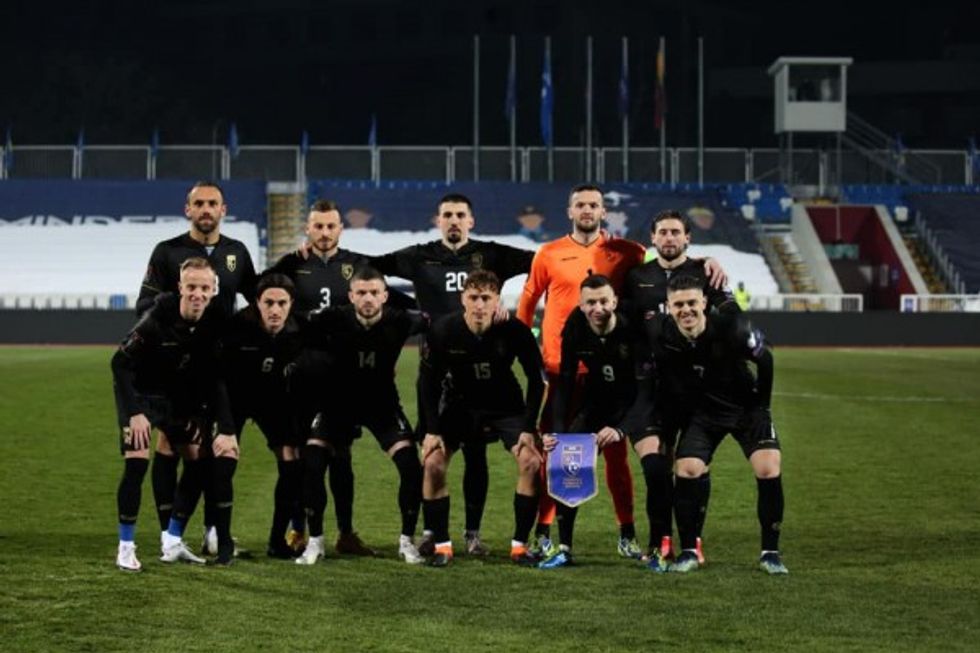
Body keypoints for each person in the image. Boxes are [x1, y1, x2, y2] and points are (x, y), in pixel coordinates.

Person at [371, 193, 535, 556]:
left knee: (476, 456)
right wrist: (411, 309)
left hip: (483, 375)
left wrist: (515, 307)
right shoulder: (419, 256)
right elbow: (370, 267)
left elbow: (542, 263)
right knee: (433, 453)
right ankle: (432, 532)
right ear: (438, 220)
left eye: (461, 214)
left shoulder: (491, 254)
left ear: (471, 221)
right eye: (448, 214)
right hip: (437, 371)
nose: (454, 220)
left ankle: (472, 534)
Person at [268, 199, 415, 557]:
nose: (324, 232)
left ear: (340, 229)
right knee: (300, 456)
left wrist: (388, 350)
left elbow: (395, 304)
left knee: (341, 455)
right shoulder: (292, 265)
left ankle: (345, 533)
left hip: (342, 379)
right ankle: (298, 529)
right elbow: (265, 293)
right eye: (317, 226)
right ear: (307, 228)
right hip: (301, 378)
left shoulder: (357, 265)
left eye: (330, 226)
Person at [517, 183, 647, 559]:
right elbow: (528, 302)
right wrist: (525, 352)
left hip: (612, 374)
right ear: (570, 211)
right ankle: (544, 531)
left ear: (603, 212)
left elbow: (654, 284)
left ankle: (626, 533)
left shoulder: (629, 253)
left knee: (616, 456)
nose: (587, 210)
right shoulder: (549, 253)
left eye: (594, 204)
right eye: (580, 205)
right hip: (562, 371)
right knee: (556, 452)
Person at [135, 181, 258, 557]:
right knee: (170, 445)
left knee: (217, 450)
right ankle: (168, 534)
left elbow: (258, 299)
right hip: (178, 370)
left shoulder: (237, 252)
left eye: (212, 203)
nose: (206, 209)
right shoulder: (167, 251)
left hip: (222, 368)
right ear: (187, 209)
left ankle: (212, 531)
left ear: (224, 209)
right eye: (199, 203)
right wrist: (182, 315)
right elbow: (143, 305)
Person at [649, 275, 787, 575]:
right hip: (705, 412)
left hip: (745, 409)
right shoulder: (663, 333)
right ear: (668, 306)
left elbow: (765, 359)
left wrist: (762, 407)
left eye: (691, 303)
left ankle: (770, 553)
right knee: (687, 468)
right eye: (678, 305)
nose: (686, 310)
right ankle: (688, 551)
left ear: (704, 302)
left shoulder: (731, 327)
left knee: (768, 466)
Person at [621, 209, 734, 563]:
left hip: (695, 388)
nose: (669, 238)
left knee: (694, 466)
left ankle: (692, 539)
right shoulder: (636, 276)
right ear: (652, 238)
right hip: (649, 388)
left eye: (675, 232)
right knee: (656, 467)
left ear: (688, 238)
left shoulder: (705, 272)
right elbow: (623, 323)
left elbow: (729, 317)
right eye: (663, 232)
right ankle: (661, 540)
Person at [294, 267, 427, 565]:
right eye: (362, 293)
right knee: (313, 463)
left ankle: (407, 542)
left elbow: (439, 322)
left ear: (385, 296)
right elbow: (295, 324)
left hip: (382, 405)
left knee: (410, 466)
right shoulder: (332, 318)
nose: (368, 298)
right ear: (351, 296)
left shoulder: (402, 320)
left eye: (374, 292)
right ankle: (315, 542)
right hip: (337, 404)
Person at [419, 270, 545, 567]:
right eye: (473, 297)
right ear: (462, 298)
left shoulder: (514, 330)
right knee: (433, 463)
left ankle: (519, 547)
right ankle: (442, 546)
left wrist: (528, 427)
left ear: (497, 300)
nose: (479, 305)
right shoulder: (444, 330)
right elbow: (427, 382)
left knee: (531, 462)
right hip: (459, 406)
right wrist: (431, 430)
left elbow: (536, 380)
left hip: (505, 406)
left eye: (486, 298)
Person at [112, 258, 230, 570]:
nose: (197, 294)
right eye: (191, 287)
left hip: (173, 399)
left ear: (213, 290)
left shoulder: (214, 322)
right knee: (137, 461)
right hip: (139, 396)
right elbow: (119, 363)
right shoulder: (156, 318)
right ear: (180, 287)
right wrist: (135, 413)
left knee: (198, 460)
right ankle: (126, 547)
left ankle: (173, 540)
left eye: (204, 288)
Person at [539, 275, 652, 569]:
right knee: (568, 462)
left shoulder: (633, 327)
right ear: (580, 304)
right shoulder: (575, 326)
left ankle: (645, 543)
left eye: (603, 301)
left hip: (635, 404)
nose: (597, 308)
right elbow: (565, 383)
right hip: (597, 402)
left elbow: (646, 391)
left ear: (614, 301)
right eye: (590, 302)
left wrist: (621, 430)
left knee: (654, 466)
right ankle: (564, 548)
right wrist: (559, 434)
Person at [215, 273, 308, 560]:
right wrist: (224, 427)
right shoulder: (236, 328)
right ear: (257, 302)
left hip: (273, 401)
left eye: (282, 303)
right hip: (235, 400)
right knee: (224, 459)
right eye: (269, 302)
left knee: (291, 460)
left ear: (291, 303)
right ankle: (220, 540)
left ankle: (277, 541)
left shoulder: (300, 330)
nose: (275, 310)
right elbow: (218, 377)